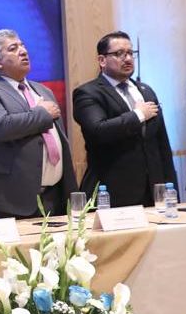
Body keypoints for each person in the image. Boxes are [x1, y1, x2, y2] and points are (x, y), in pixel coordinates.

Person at [0, 29, 76, 219]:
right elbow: (1, 127)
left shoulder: (43, 90)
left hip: (55, 198)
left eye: (23, 45)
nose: (23, 51)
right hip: (10, 201)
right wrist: (41, 113)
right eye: (13, 48)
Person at [72, 31, 177, 207]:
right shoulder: (88, 93)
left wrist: (171, 191)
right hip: (112, 192)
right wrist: (138, 115)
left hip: (152, 192)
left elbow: (162, 145)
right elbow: (98, 131)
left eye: (130, 53)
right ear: (102, 60)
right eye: (119, 54)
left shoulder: (146, 91)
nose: (127, 58)